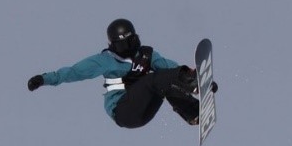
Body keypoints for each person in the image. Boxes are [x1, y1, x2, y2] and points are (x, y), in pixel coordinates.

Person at [27, 18, 214, 129]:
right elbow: (73, 73)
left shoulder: (146, 55)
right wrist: (44, 79)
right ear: (114, 46)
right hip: (123, 111)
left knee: (165, 82)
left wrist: (198, 79)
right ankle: (193, 87)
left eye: (133, 42)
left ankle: (194, 114)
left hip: (143, 112)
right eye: (125, 45)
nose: (131, 48)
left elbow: (172, 71)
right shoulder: (104, 60)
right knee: (153, 80)